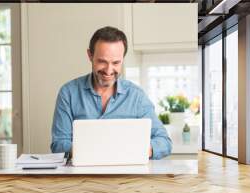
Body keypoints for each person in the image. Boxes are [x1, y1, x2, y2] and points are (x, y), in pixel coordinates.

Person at [50, 26, 172, 160]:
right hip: (82, 176)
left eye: (116, 62)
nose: (109, 70)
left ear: (123, 60)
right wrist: (95, 151)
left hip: (127, 176)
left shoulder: (136, 96)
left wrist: (138, 150)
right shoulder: (68, 93)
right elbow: (59, 144)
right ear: (90, 55)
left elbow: (164, 142)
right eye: (102, 61)